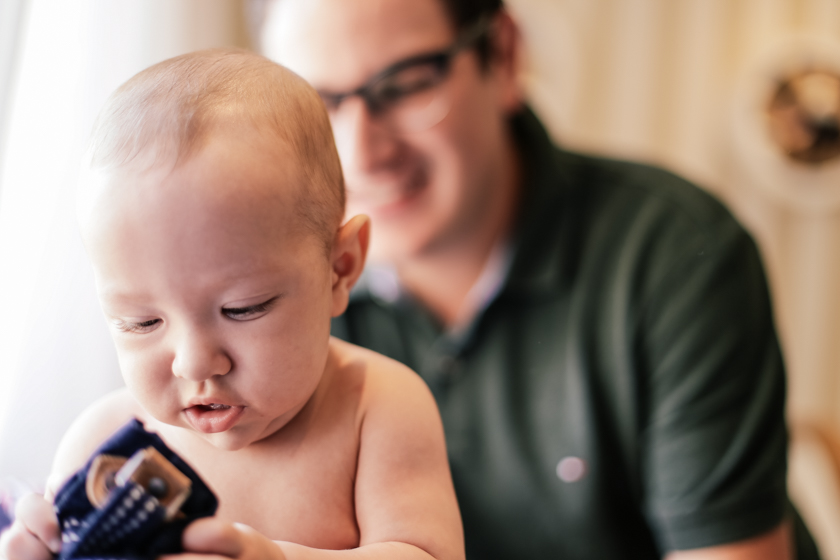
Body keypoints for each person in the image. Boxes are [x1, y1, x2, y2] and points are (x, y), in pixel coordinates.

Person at [255, 0, 821, 558]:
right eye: (317, 105)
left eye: (405, 85)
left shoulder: (677, 256)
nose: (362, 152)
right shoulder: (262, 291)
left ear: (502, 56)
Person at [0, 48, 464, 560]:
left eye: (243, 309)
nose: (194, 361)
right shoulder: (104, 445)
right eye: (141, 322)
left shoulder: (375, 407)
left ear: (340, 268)